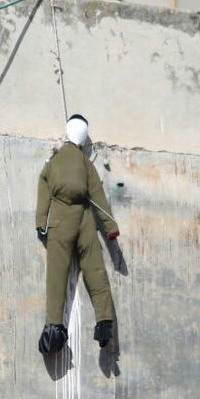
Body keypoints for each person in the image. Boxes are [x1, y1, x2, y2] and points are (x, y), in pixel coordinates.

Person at [35, 114, 119, 353]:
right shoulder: (86, 164)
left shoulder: (52, 163)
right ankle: (104, 323)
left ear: (66, 132)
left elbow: (43, 192)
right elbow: (99, 199)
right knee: (95, 270)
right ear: (83, 138)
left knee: (57, 275)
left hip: (60, 219)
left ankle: (53, 329)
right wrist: (111, 227)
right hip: (84, 219)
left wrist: (41, 222)